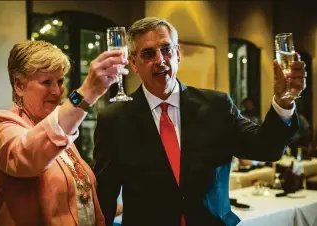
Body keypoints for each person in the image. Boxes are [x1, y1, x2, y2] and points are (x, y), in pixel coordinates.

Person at [93, 17, 306, 226]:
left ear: (177, 54)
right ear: (133, 63)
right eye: (148, 53)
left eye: (166, 49)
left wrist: (284, 101)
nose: (160, 60)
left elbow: (266, 148)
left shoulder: (217, 106)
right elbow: (105, 194)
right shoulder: (114, 120)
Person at [0, 40, 128, 226]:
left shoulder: (59, 127)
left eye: (60, 81)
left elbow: (81, 202)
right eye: (46, 82)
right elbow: (26, 155)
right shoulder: (2, 124)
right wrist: (88, 91)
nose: (56, 90)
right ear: (19, 85)